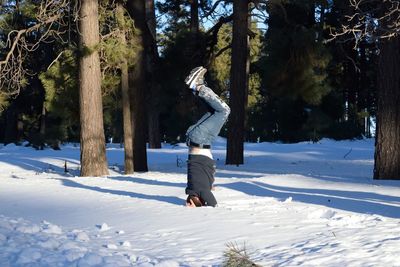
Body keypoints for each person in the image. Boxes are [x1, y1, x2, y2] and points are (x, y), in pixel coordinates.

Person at [184, 66, 230, 207]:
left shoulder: (201, 190)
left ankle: (197, 86)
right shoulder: (193, 187)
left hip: (201, 139)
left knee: (224, 111)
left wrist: (203, 204)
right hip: (199, 139)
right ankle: (196, 87)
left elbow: (213, 204)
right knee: (214, 111)